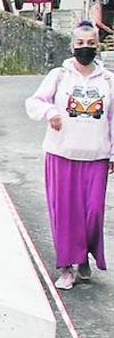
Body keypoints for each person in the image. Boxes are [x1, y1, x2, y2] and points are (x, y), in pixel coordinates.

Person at [25, 21, 114, 290]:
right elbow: (34, 102)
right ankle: (67, 266)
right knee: (65, 213)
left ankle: (84, 253)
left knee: (93, 212)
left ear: (97, 46)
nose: (85, 48)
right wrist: (50, 113)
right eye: (80, 44)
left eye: (90, 44)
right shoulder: (58, 76)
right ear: (72, 46)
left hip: (96, 157)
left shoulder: (109, 80)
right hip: (61, 154)